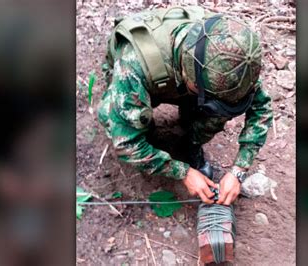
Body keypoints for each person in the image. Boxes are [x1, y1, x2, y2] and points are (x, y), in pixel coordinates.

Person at [98, 6, 273, 205]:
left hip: (183, 83)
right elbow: (126, 144)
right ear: (194, 82)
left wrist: (238, 171)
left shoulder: (231, 63)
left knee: (218, 111)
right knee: (122, 121)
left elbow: (262, 109)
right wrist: (182, 172)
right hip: (148, 76)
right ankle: (151, 133)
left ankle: (190, 142)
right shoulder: (134, 65)